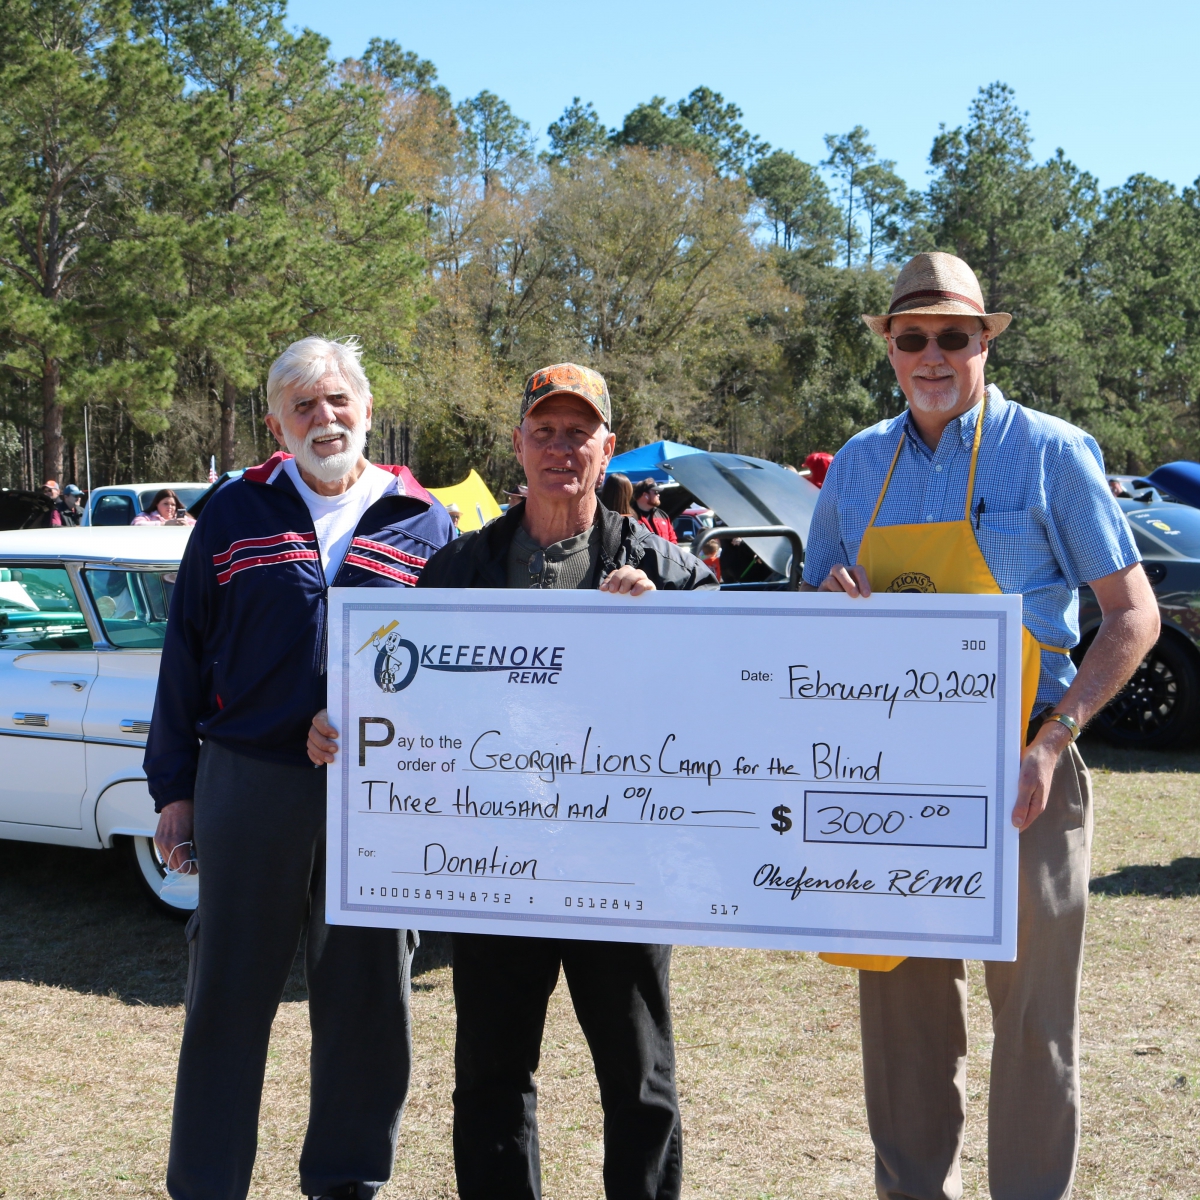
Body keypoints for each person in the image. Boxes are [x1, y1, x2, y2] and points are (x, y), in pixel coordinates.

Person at [308, 361, 714, 1200]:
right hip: (495, 867)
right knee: (491, 1078)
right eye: (544, 432)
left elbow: (737, 683)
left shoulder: (662, 567)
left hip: (620, 868)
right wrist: (345, 729)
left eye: (578, 434)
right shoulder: (459, 567)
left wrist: (675, 623)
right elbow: (404, 692)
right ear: (518, 445)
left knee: (639, 1081)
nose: (560, 449)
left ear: (610, 449)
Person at [801, 252, 1160, 1200]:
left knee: (1035, 1024)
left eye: (951, 336)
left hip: (1024, 767)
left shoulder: (1049, 451)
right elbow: (809, 614)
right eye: (911, 336)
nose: (931, 354)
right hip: (891, 773)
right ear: (888, 347)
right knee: (904, 1020)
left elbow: (1133, 615)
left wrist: (1053, 741)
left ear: (982, 343)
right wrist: (830, 603)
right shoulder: (859, 464)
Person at [145, 336, 455, 1200]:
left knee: (368, 999)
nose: (325, 419)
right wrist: (173, 789)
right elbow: (184, 652)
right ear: (276, 422)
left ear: (367, 408)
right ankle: (207, 1183)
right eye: (303, 406)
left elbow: (460, 665)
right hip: (248, 780)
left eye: (338, 401)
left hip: (379, 796)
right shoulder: (234, 512)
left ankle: (347, 1181)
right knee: (227, 996)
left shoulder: (425, 521)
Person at [632, 478, 678, 543]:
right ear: (645, 495)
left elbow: (673, 540)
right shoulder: (631, 517)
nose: (658, 495)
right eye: (656, 492)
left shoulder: (663, 515)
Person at [132, 488, 197, 527]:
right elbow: (136, 525)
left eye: (173, 505)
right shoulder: (145, 516)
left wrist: (188, 527)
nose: (170, 507)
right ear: (157, 504)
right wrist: (165, 524)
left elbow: (199, 528)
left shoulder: (183, 518)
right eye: (166, 504)